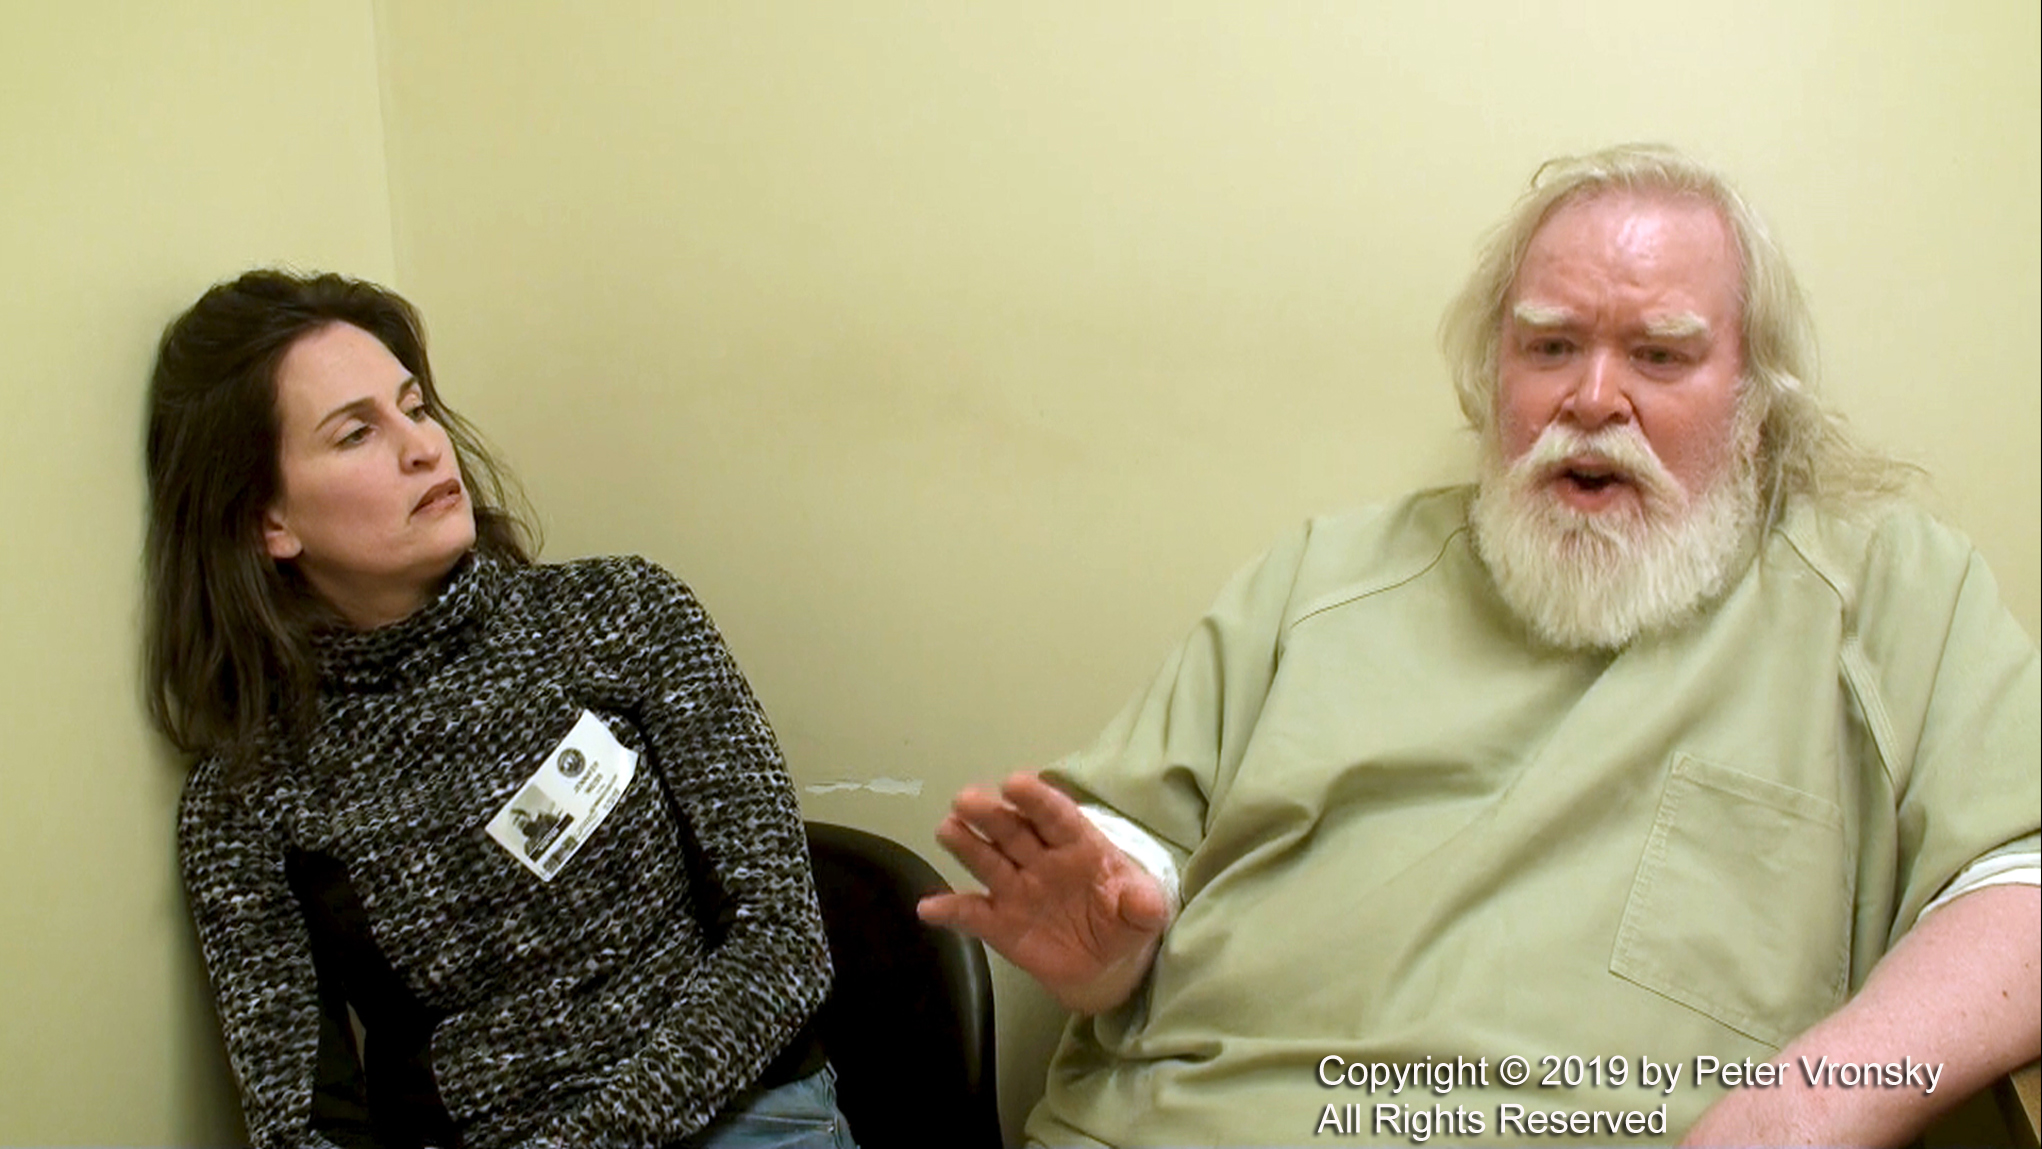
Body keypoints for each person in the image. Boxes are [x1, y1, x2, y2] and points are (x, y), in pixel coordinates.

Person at [920, 144, 2040, 1146]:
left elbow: (2024, 885)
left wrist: (1793, 1115)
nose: (1590, 398)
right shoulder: (1319, 575)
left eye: (1657, 355)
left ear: (1751, 396)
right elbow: (1128, 878)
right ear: (1489, 372)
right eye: (1547, 346)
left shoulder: (1883, 594)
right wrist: (1103, 945)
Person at [145, 270, 856, 1149]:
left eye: (415, 406)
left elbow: (783, 943)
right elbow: (302, 1124)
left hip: (743, 1115)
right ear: (269, 523)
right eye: (357, 432)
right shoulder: (246, 799)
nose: (424, 447)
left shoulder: (622, 614)